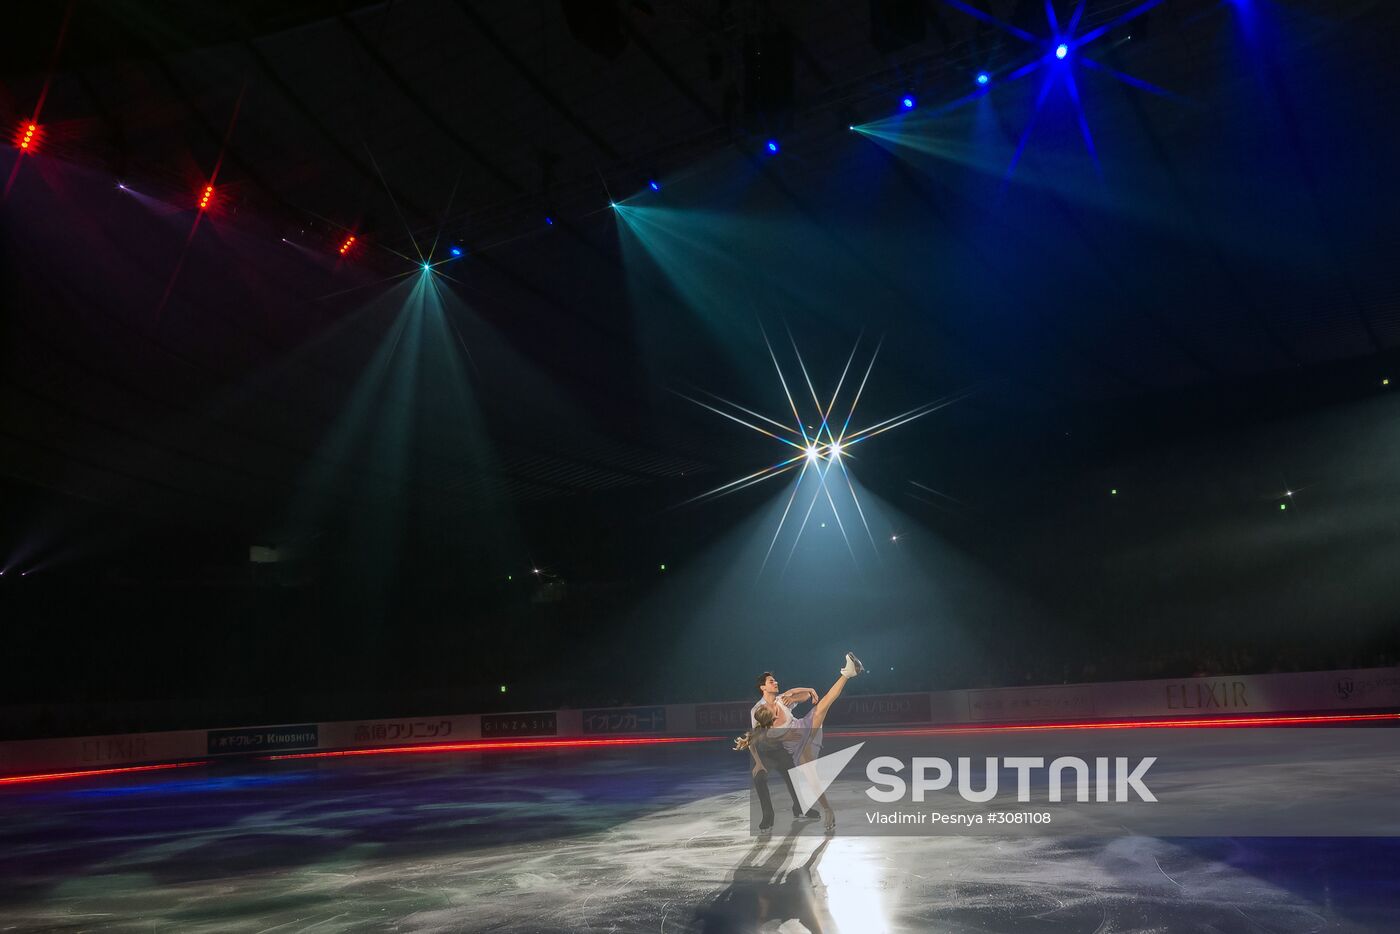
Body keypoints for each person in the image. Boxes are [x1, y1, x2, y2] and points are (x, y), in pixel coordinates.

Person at [737, 652, 863, 833]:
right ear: (762, 687)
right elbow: (755, 737)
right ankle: (825, 809)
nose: (776, 682)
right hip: (791, 745)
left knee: (824, 704)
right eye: (771, 681)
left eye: (775, 680)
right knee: (810, 775)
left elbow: (796, 693)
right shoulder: (758, 711)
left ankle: (848, 673)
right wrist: (758, 762)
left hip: (803, 728)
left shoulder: (782, 700)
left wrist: (810, 690)